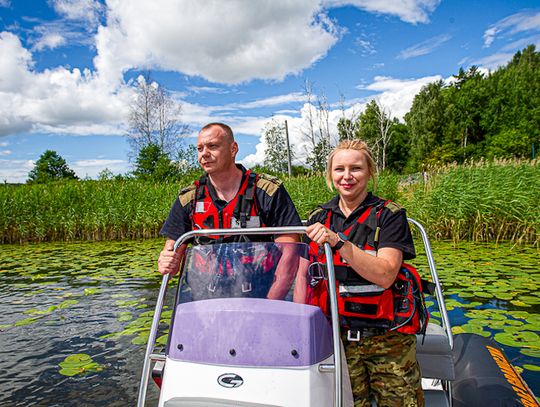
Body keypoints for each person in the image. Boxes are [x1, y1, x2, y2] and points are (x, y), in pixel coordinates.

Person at [306, 139, 424, 406]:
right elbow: (306, 276)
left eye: (356, 168)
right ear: (330, 174)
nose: (347, 176)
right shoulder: (318, 217)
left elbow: (386, 274)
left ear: (370, 172)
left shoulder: (390, 216)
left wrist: (339, 243)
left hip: (387, 340)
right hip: (338, 339)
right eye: (339, 169)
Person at [158, 122, 302, 299]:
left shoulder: (268, 192)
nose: (204, 154)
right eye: (199, 148)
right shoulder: (189, 198)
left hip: (262, 297)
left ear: (233, 149)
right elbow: (172, 252)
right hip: (205, 302)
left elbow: (290, 255)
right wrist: (166, 262)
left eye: (213, 146)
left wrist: (268, 306)